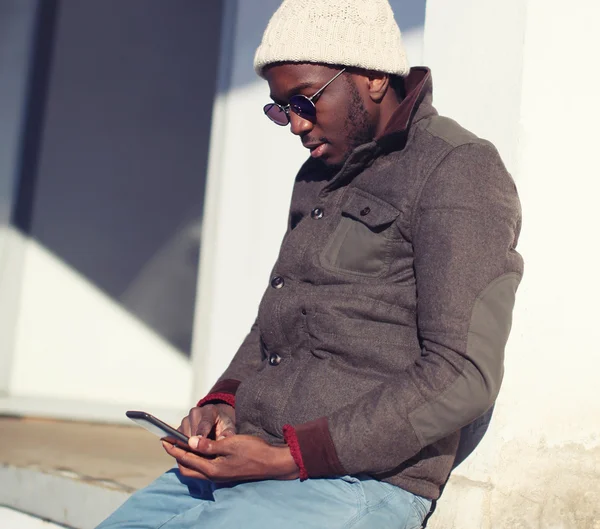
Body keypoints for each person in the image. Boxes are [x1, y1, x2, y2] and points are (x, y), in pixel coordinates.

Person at [97, 0, 523, 527]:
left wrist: (291, 458)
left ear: (369, 76)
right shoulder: (317, 175)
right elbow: (278, 316)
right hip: (245, 463)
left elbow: (462, 373)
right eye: (280, 108)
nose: (294, 125)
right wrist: (223, 401)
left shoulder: (457, 169)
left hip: (355, 484)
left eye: (304, 101)